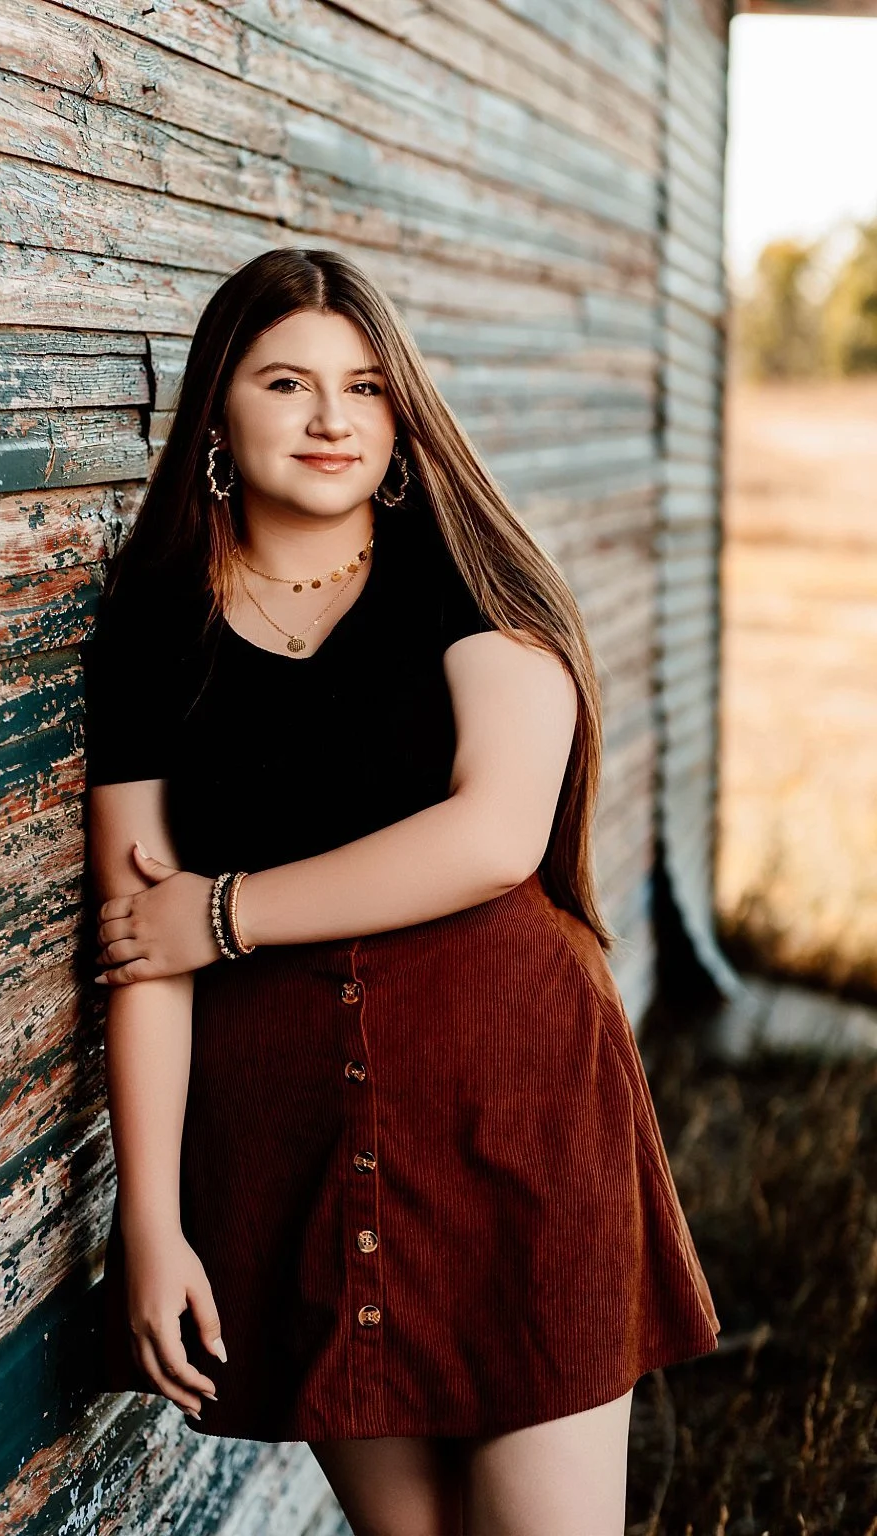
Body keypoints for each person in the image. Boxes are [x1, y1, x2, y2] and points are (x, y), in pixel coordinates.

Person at [83, 248, 719, 1533]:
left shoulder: (469, 582)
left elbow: (491, 835)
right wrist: (149, 1224)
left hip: (513, 1120)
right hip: (292, 1151)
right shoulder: (153, 629)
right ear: (215, 408)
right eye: (285, 382)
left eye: (365, 387)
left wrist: (225, 914)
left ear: (400, 414)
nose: (329, 419)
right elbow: (136, 952)